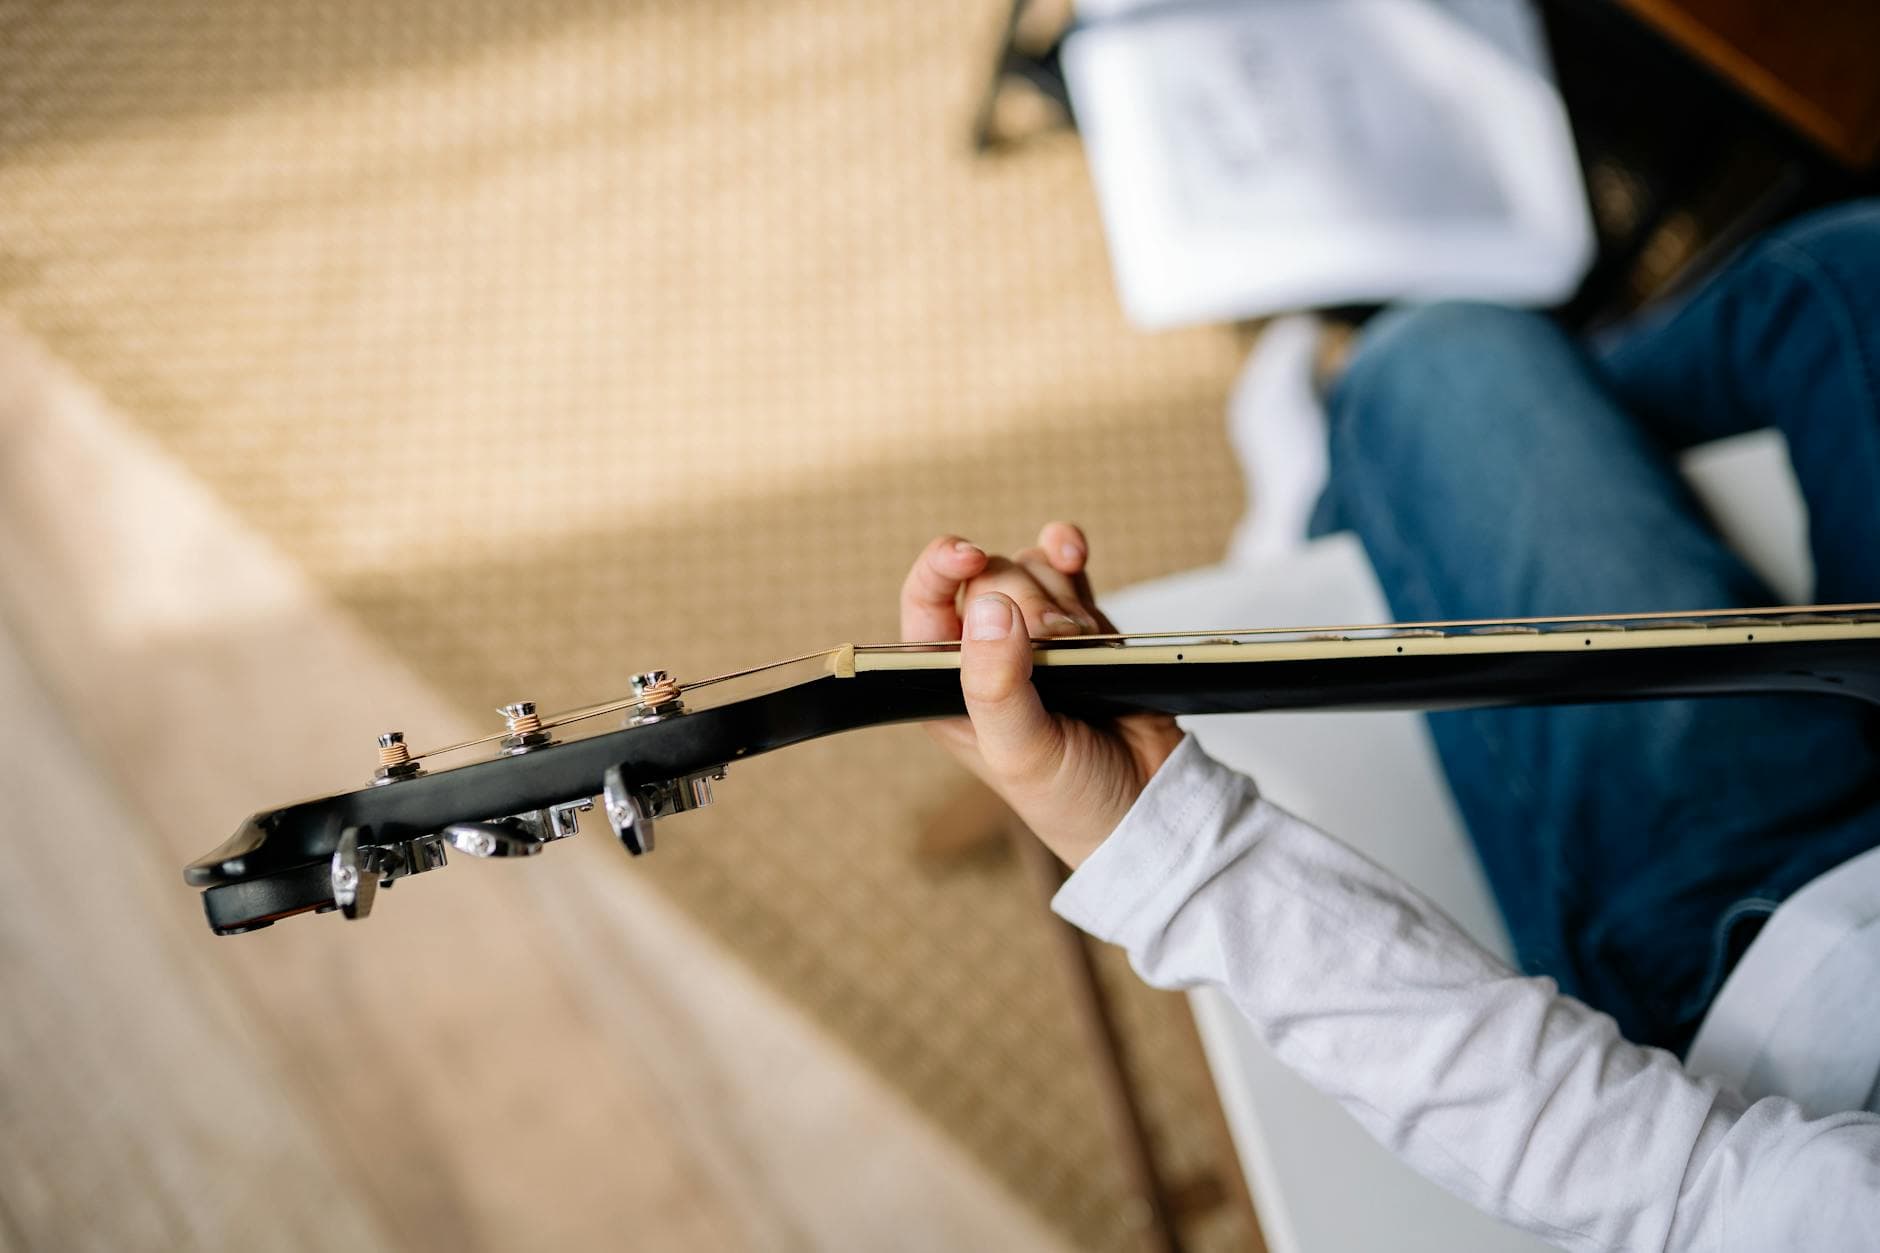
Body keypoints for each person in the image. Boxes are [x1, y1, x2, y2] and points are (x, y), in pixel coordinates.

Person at [899, 201, 1880, 1250]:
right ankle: (1396, 493)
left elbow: (1665, 1181)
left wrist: (1166, 839)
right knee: (1850, 272)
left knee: (1441, 363)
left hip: (1772, 939)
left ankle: (1356, 507)